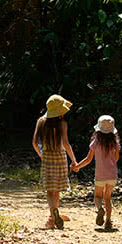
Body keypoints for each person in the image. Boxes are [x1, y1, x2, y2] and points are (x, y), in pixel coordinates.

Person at [32, 94, 78, 229]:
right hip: (60, 157)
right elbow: (66, 144)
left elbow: (34, 143)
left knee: (49, 190)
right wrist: (74, 160)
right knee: (57, 189)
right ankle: (54, 214)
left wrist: (42, 155)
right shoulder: (63, 124)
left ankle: (52, 216)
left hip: (47, 157)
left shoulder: (41, 121)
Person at [72, 115, 120, 230]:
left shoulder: (96, 142)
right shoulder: (115, 143)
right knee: (107, 198)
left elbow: (88, 159)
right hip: (112, 175)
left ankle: (100, 209)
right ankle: (108, 221)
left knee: (98, 196)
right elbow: (116, 158)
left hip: (100, 175)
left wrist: (77, 166)